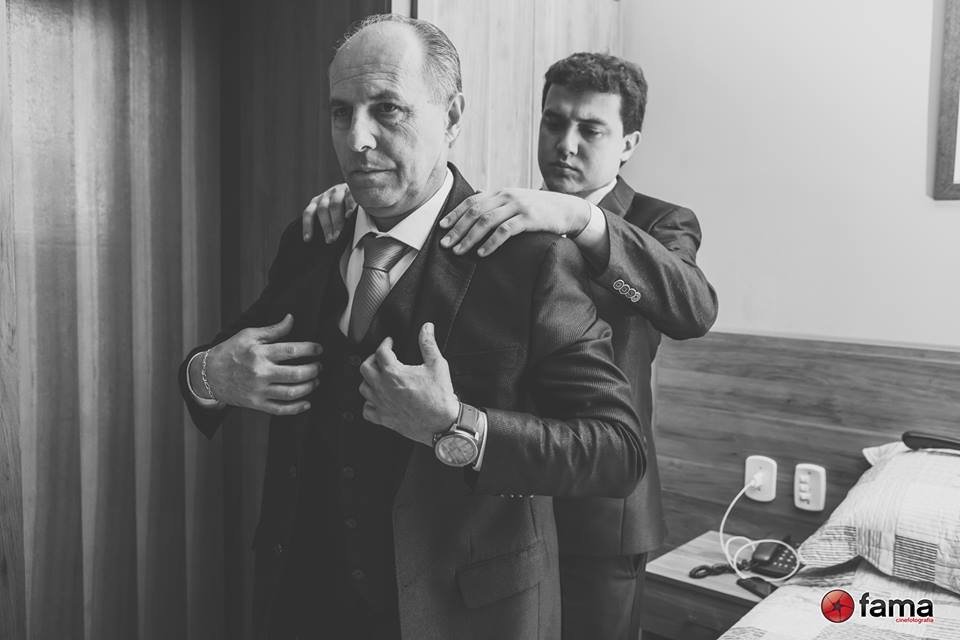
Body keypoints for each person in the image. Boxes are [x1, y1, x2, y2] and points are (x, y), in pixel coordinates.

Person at [179, 16, 646, 640]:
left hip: (465, 616)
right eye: (341, 112)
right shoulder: (311, 240)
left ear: (451, 117)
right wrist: (210, 375)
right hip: (303, 600)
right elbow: (222, 358)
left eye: (387, 109)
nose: (358, 139)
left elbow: (617, 450)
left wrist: (458, 427)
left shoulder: (531, 259)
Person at [302, 52, 718, 639]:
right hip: (494, 506)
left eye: (591, 130)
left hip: (599, 510)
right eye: (554, 122)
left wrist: (583, 221)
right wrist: (366, 194)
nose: (565, 145)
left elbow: (693, 310)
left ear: (628, 143)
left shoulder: (659, 222)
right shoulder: (498, 215)